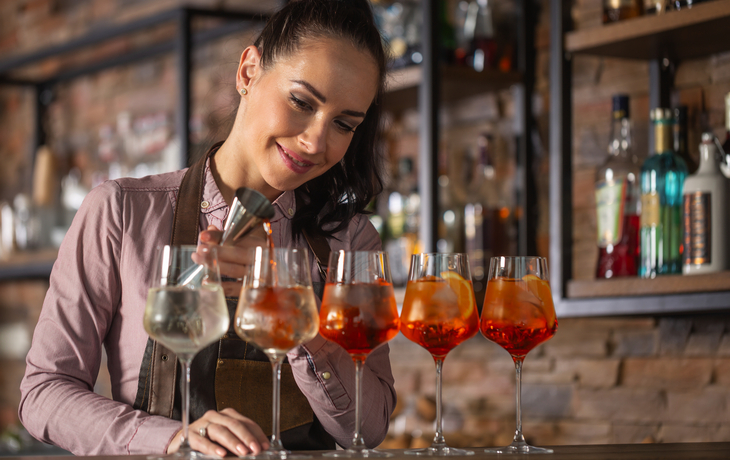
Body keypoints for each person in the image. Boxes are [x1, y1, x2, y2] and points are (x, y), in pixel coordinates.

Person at [19, 0, 396, 456]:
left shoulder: (351, 240)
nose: (316, 141)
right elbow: (43, 393)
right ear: (248, 72)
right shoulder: (121, 213)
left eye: (343, 123)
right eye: (301, 101)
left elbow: (370, 428)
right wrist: (174, 438)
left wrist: (297, 319)